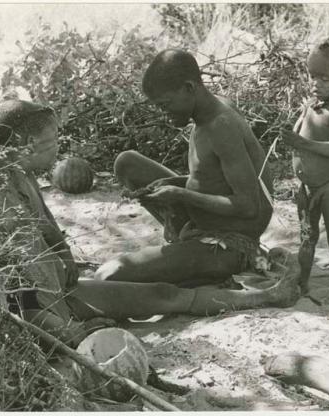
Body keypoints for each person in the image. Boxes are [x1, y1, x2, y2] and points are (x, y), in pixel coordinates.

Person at [0, 98, 298, 347]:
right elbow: (11, 285)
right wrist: (66, 331)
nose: (58, 149)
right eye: (54, 140)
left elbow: (46, 226)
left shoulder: (17, 171)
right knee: (150, 297)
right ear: (29, 145)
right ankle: (251, 292)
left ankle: (256, 293)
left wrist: (65, 257)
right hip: (41, 308)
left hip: (61, 292)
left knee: (161, 293)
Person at [94, 49, 276, 289]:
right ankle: (184, 255)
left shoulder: (221, 126)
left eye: (165, 104)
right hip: (202, 223)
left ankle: (208, 267)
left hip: (230, 243)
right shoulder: (206, 114)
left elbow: (248, 206)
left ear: (189, 88)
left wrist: (180, 194)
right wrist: (175, 184)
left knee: (111, 274)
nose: (163, 112)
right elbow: (214, 178)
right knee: (127, 163)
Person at [279, 36, 329, 304]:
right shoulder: (313, 102)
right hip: (307, 186)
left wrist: (301, 143)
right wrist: (295, 130)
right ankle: (302, 283)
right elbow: (299, 129)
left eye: (325, 79)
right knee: (306, 237)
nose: (316, 84)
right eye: (312, 76)